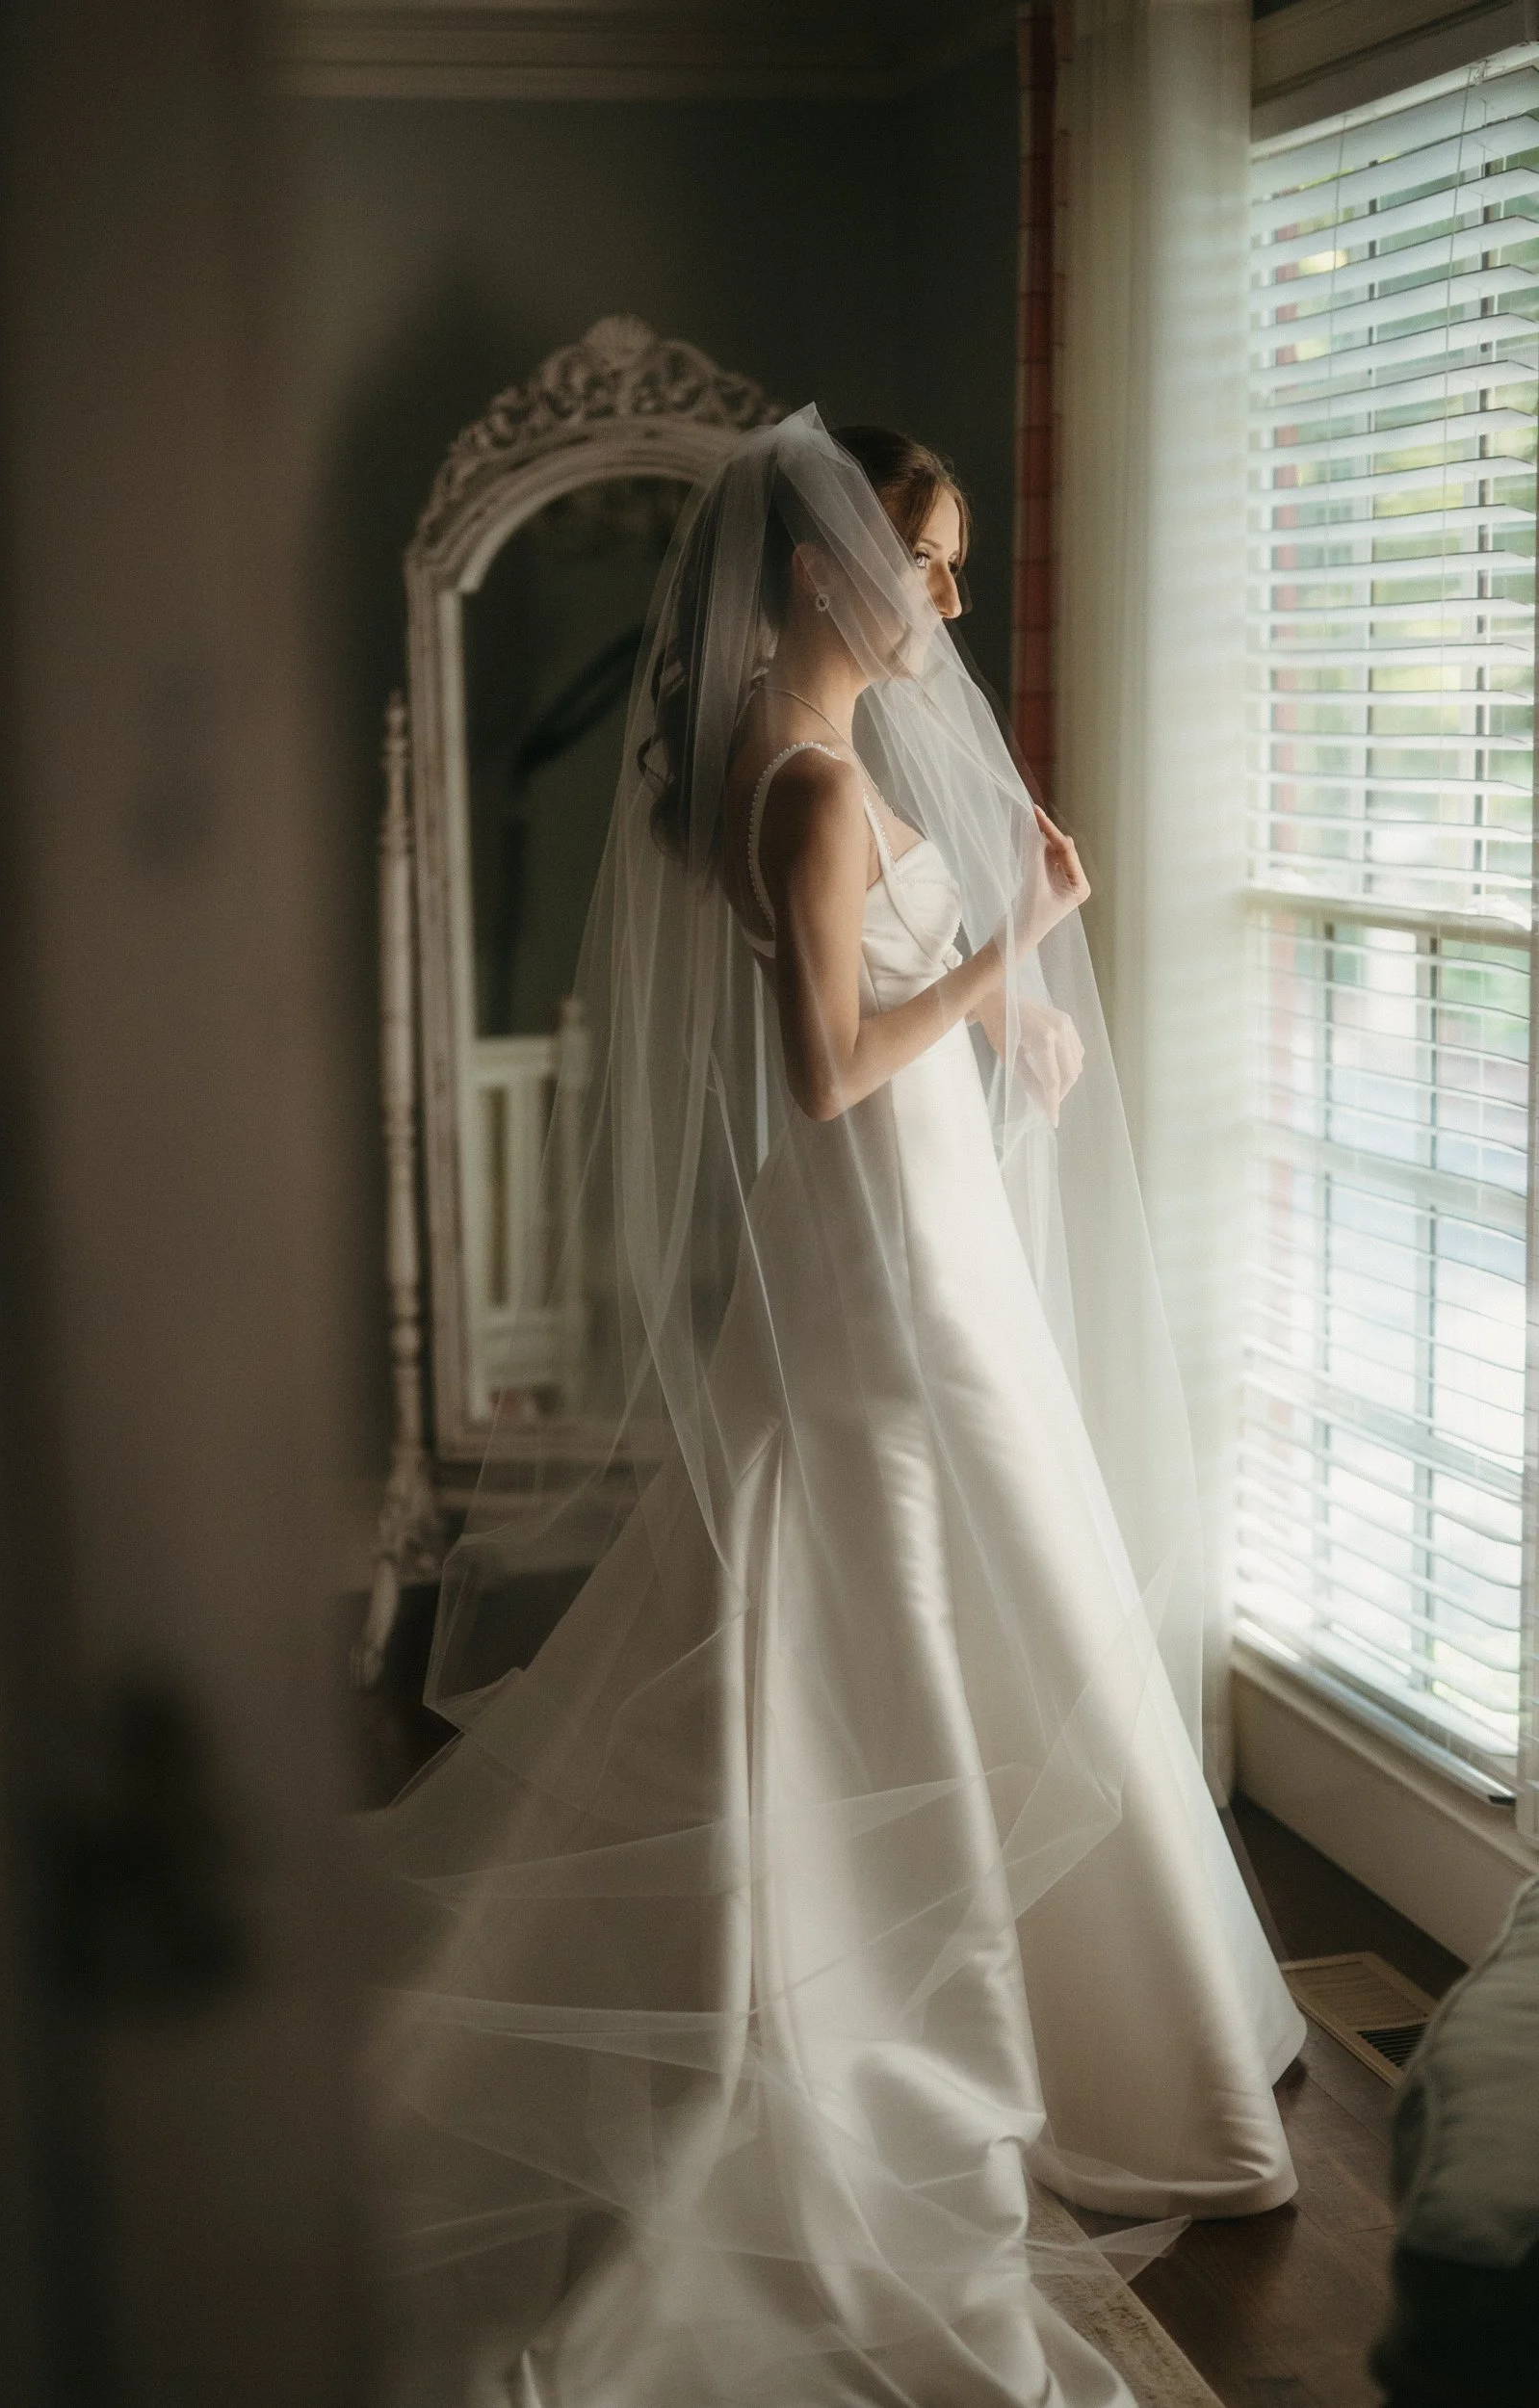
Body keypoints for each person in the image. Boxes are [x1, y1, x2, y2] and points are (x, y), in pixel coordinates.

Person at [361, 409, 1306, 2408]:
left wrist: (1006, 1011)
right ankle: (914, 2020)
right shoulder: (803, 786)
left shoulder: (816, 759)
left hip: (918, 1227)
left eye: (950, 561)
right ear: (822, 568)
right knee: (918, 1579)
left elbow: (890, 1008)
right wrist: (1014, 945)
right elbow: (828, 1069)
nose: (948, 597)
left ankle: (1106, 2021)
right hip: (884, 1260)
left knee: (973, 1571)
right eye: (925, 558)